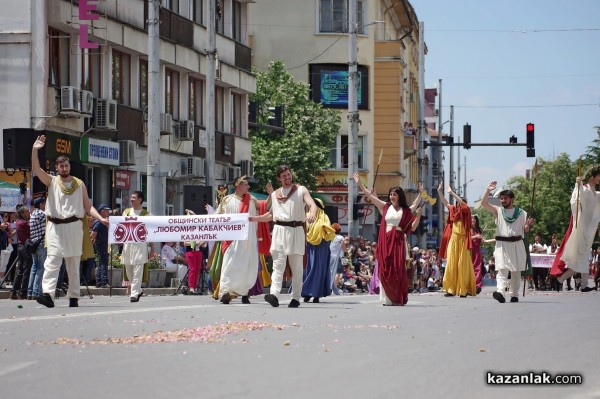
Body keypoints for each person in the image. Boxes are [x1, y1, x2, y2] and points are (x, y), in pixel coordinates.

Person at [32, 135, 107, 308]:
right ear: (57, 168)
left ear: (69, 166)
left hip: (74, 226)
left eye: (66, 165)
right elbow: (36, 169)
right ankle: (48, 295)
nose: (64, 168)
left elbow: (88, 207)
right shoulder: (51, 182)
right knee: (52, 261)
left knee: (73, 264)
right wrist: (35, 150)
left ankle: (73, 296)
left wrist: (100, 218)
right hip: (55, 227)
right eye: (61, 166)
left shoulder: (79, 184)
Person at [249, 165, 318, 308]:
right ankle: (274, 295)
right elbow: (271, 215)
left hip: (296, 230)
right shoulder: (275, 195)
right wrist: (255, 219)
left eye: (289, 174)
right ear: (278, 179)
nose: (287, 177)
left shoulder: (301, 190)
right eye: (284, 176)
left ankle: (296, 298)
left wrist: (312, 213)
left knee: (296, 267)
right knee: (277, 266)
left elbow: (312, 204)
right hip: (279, 231)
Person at [353, 172, 423, 306]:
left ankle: (396, 297)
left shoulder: (405, 210)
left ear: (399, 196)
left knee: (397, 269)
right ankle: (386, 298)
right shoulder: (385, 206)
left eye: (394, 195)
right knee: (385, 268)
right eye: (390, 194)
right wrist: (359, 184)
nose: (392, 197)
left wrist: (420, 194)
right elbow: (369, 196)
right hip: (386, 241)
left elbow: (414, 211)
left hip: (398, 242)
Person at [481, 181, 533, 303]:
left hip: (517, 243)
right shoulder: (498, 211)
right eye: (501, 198)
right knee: (502, 269)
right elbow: (483, 203)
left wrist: (529, 225)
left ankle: (514, 294)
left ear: (512, 199)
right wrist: (488, 190)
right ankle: (500, 292)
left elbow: (525, 230)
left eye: (505, 198)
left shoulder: (522, 213)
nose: (502, 201)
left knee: (515, 271)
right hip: (502, 244)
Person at [550, 165, 600, 292]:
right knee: (581, 258)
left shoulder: (597, 194)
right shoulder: (584, 189)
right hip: (582, 228)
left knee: (583, 258)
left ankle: (574, 283)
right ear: (592, 176)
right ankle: (569, 282)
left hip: (590, 229)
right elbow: (575, 201)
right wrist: (578, 185)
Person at [215, 175, 259, 304]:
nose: (248, 187)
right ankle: (224, 292)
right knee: (229, 265)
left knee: (246, 266)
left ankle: (244, 293)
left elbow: (263, 207)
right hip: (232, 240)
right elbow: (217, 218)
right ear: (238, 186)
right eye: (246, 184)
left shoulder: (251, 200)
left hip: (247, 240)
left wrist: (271, 195)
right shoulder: (227, 200)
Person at [437, 183, 476, 297]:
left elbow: (464, 205)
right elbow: (445, 203)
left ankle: (463, 290)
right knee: (450, 264)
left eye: (461, 201)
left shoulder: (467, 212)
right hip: (453, 241)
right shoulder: (453, 210)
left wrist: (452, 193)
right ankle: (450, 289)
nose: (459, 203)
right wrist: (439, 192)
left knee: (461, 265)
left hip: (463, 241)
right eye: (458, 201)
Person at [302, 198, 335, 303]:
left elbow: (330, 234)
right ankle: (306, 293)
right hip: (309, 246)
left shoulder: (325, 218)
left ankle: (317, 294)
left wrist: (324, 229)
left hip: (322, 246)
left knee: (318, 270)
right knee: (308, 268)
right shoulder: (306, 216)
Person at [122, 191, 151, 302]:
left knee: (138, 268)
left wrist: (152, 248)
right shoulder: (126, 212)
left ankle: (134, 294)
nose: (131, 199)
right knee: (129, 268)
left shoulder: (146, 214)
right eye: (131, 197)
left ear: (140, 200)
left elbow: (152, 231)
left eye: (134, 197)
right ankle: (138, 291)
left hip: (140, 245)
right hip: (128, 244)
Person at [9, 205, 32, 300]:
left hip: (20, 247)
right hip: (25, 247)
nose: (29, 212)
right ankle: (23, 292)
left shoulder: (19, 222)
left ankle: (14, 292)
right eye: (27, 211)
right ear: (22, 213)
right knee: (26, 270)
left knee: (20, 270)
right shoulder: (24, 223)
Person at [27, 197, 47, 299]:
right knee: (40, 268)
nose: (45, 205)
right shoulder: (42, 214)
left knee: (34, 268)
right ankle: (36, 292)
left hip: (33, 245)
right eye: (44, 203)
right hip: (41, 244)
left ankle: (30, 292)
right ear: (41, 205)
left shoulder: (33, 214)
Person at [91, 205, 110, 288]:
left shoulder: (102, 221)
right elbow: (94, 233)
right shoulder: (99, 221)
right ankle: (103, 281)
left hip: (102, 243)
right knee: (103, 263)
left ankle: (99, 281)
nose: (108, 212)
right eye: (106, 210)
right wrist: (92, 242)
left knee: (101, 263)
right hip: (101, 244)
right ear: (101, 211)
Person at [328, 223, 346, 295]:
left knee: (330, 272)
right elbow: (344, 248)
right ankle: (334, 288)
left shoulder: (329, 237)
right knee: (338, 272)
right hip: (338, 256)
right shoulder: (341, 238)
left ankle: (329, 286)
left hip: (329, 256)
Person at [471, 215, 484, 294]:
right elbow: (467, 238)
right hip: (470, 250)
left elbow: (482, 240)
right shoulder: (468, 229)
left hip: (477, 251)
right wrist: (476, 236)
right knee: (471, 268)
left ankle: (477, 285)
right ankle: (471, 285)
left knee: (478, 268)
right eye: (472, 218)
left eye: (474, 219)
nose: (473, 220)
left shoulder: (478, 230)